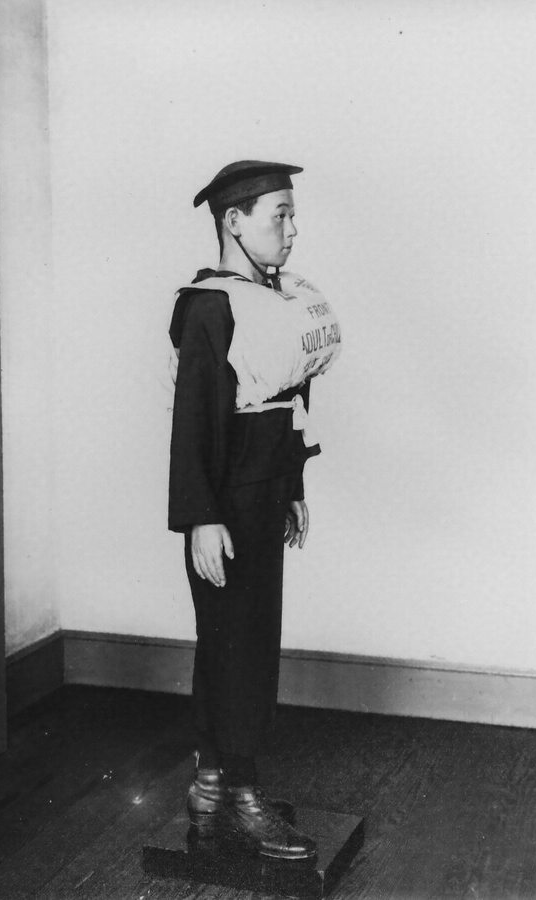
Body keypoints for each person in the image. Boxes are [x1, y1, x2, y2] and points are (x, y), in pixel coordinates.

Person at [168, 160, 341, 860]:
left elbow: (289, 402)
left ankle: (211, 790)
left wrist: (291, 484)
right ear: (233, 222)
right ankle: (240, 795)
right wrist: (200, 518)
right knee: (235, 644)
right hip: (226, 500)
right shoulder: (210, 306)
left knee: (242, 639)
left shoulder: (272, 301)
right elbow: (192, 422)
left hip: (265, 490)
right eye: (279, 216)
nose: (291, 231)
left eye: (293, 215)